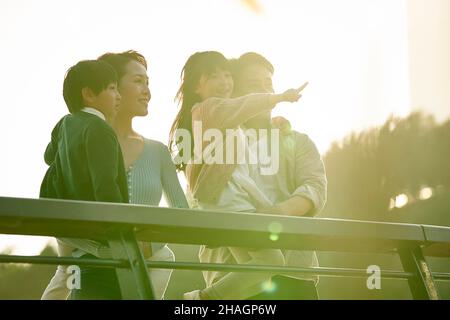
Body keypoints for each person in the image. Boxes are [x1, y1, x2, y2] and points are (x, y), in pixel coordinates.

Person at [41, 51, 188, 300]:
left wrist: (147, 241)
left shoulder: (157, 151)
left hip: (138, 261)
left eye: (148, 82)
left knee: (165, 258)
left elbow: (182, 214)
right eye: (138, 81)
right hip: (89, 261)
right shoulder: (86, 133)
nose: (148, 92)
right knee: (68, 270)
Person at [168, 51, 308, 300]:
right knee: (272, 260)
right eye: (213, 76)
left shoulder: (218, 115)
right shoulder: (210, 108)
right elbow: (246, 105)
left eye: (227, 75)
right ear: (196, 87)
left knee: (258, 273)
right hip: (229, 204)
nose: (224, 82)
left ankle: (207, 299)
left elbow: (244, 123)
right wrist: (281, 97)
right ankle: (201, 299)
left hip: (229, 201)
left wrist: (276, 122)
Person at [39, 59, 127, 299]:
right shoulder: (100, 128)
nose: (118, 95)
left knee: (65, 272)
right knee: (142, 260)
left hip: (64, 217)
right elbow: (105, 186)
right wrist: (121, 225)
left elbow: (49, 156)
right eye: (111, 88)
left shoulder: (65, 123)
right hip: (89, 225)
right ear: (89, 94)